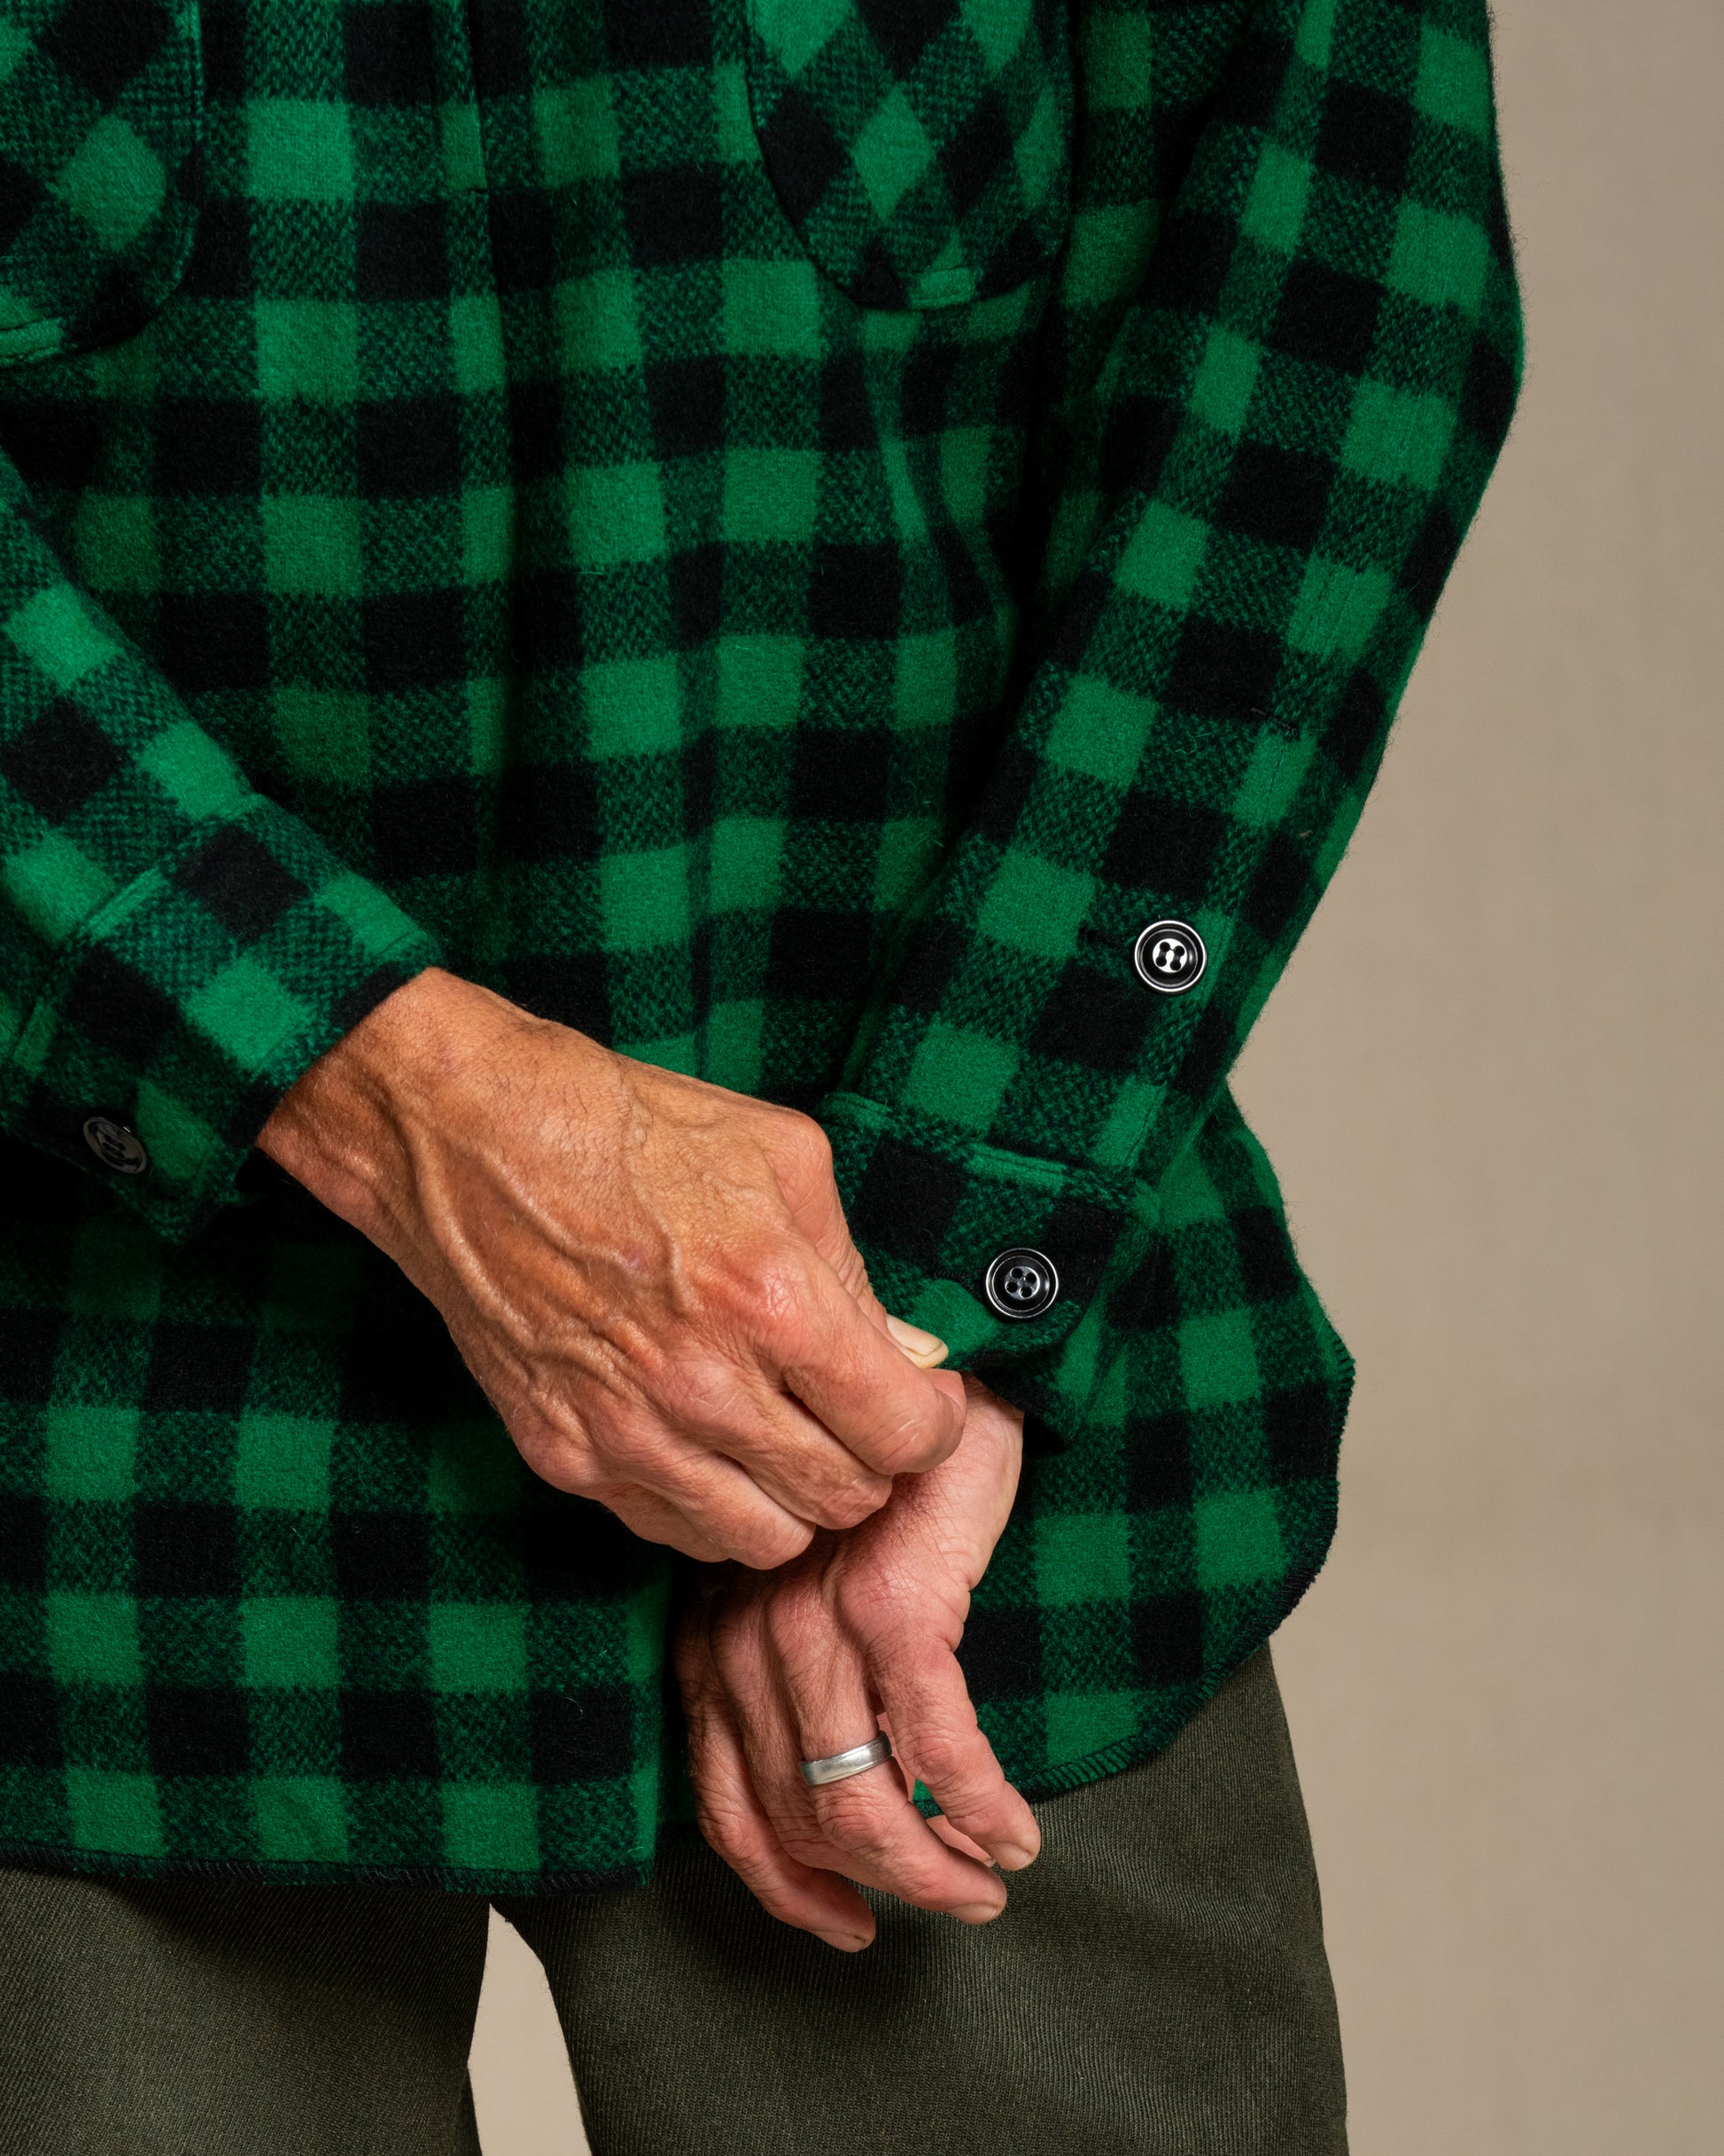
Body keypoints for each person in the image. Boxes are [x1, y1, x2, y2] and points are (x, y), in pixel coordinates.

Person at [0, 0, 1519, 2146]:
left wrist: (938, 1275)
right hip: (80, 1470)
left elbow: (1335, 295)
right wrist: (373, 1078)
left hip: (954, 1449)